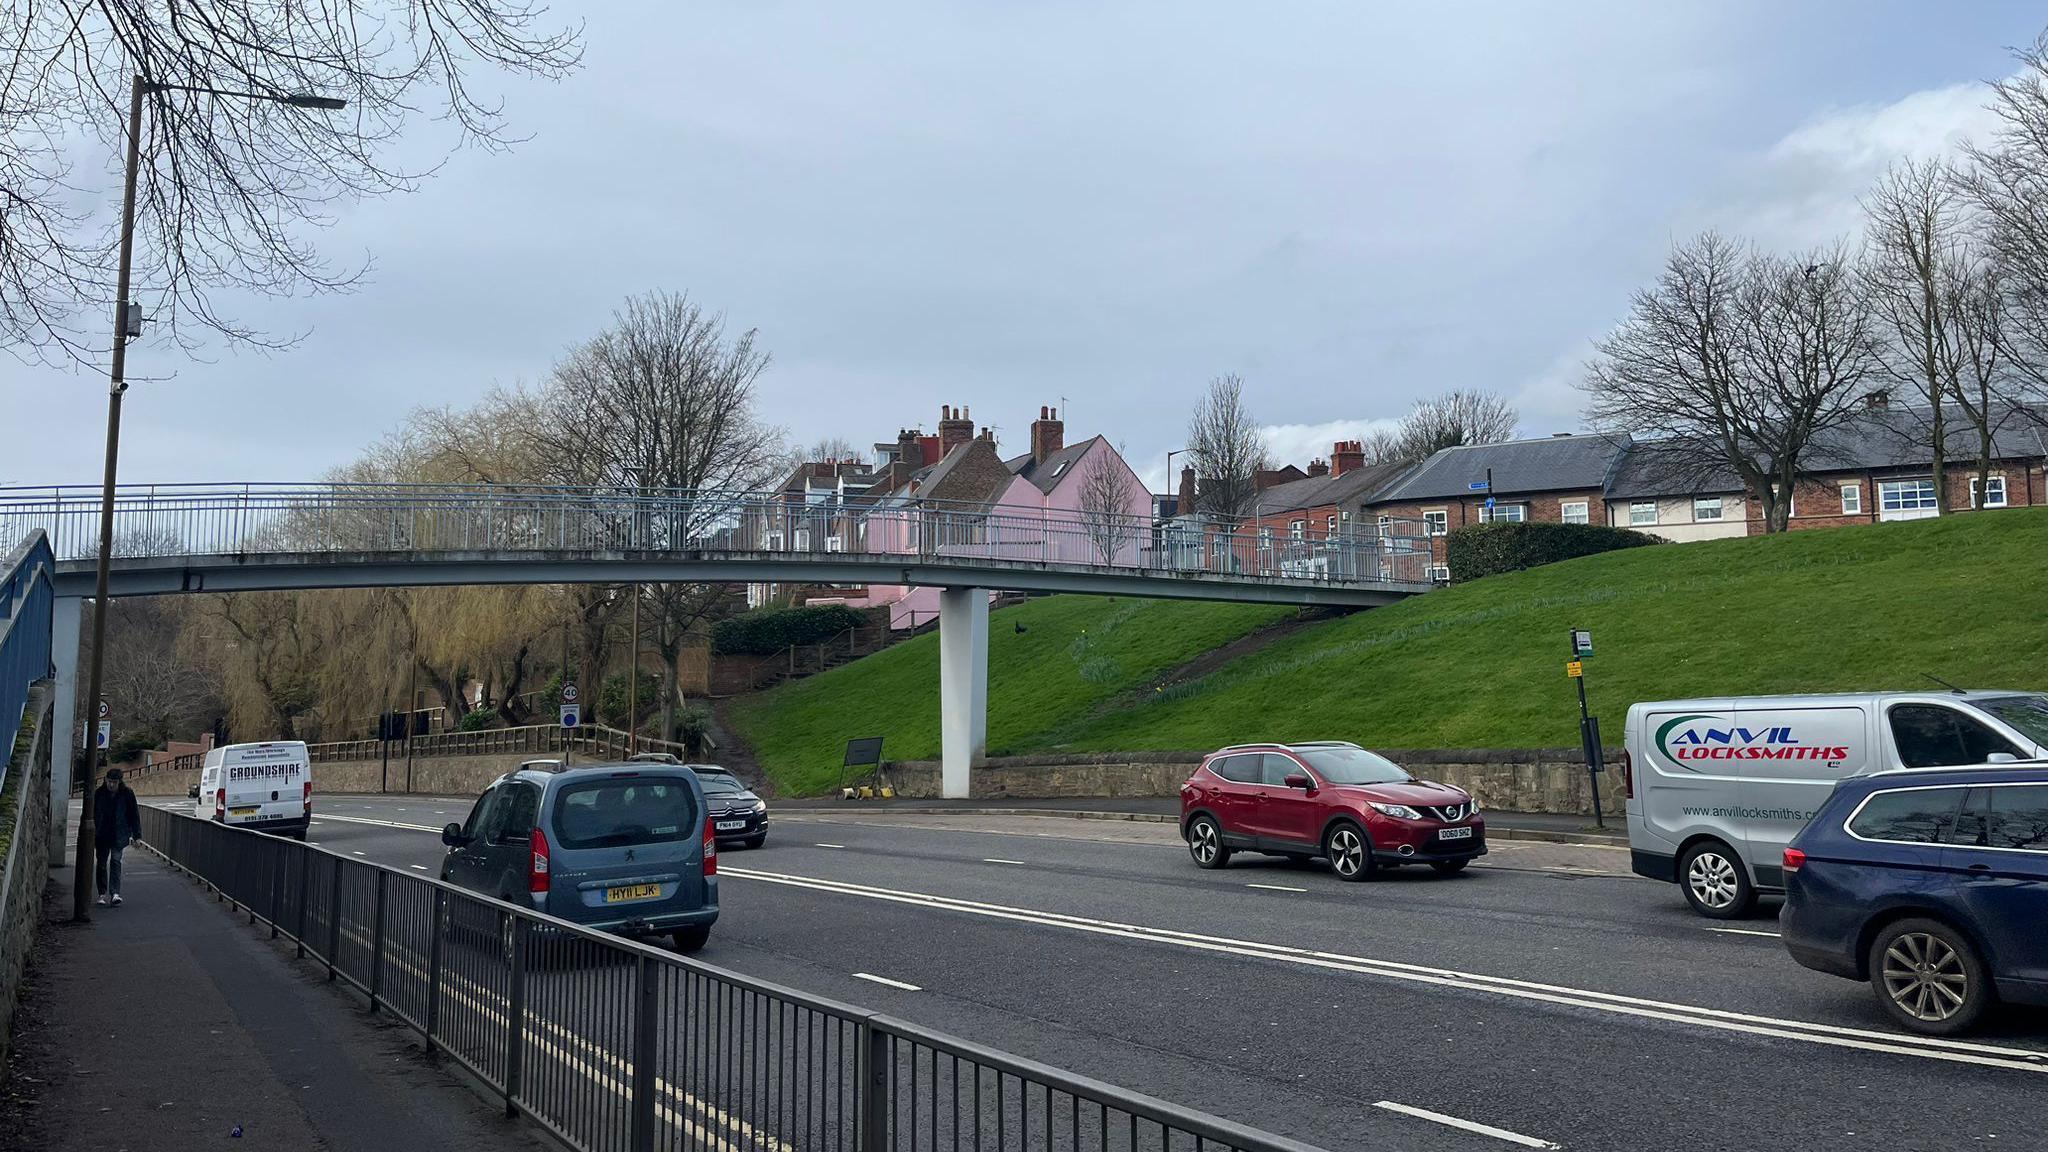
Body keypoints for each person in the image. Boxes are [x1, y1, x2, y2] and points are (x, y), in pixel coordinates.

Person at [93, 767, 143, 907]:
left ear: (119, 782)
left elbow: (134, 814)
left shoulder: (127, 794)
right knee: (101, 864)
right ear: (105, 780)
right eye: (109, 781)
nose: (111, 785)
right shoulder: (99, 793)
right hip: (102, 834)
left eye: (114, 782)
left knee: (116, 861)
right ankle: (102, 893)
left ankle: (115, 893)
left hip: (118, 834)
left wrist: (137, 835)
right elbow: (93, 813)